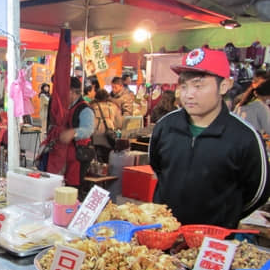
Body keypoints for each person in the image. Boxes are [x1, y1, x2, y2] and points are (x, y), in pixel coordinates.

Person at [149, 48, 270, 228]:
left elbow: (258, 193)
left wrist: (226, 216)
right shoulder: (165, 126)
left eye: (198, 86)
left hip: (213, 243)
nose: (189, 94)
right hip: (164, 235)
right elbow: (158, 167)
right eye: (183, 86)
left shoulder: (245, 137)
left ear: (224, 86)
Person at [59, 76, 94, 190]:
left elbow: (88, 129)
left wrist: (73, 132)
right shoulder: (68, 106)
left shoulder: (85, 109)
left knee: (73, 188)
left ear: (72, 91)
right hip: (67, 154)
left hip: (79, 155)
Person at [90, 89, 122, 163]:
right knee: (107, 159)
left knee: (95, 160)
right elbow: (119, 124)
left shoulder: (91, 106)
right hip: (108, 137)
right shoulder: (114, 106)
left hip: (94, 137)